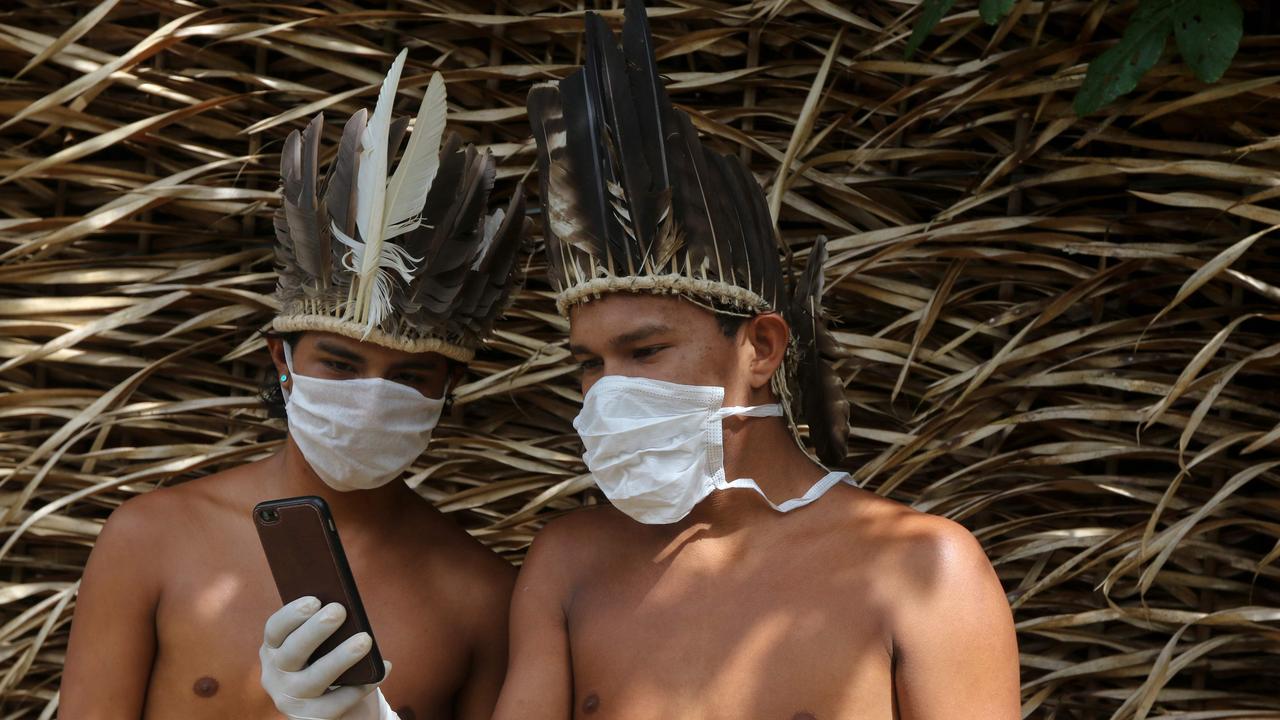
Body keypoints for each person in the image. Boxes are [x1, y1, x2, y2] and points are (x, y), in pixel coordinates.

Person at [258, 3, 1021, 718]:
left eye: (645, 349)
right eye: (588, 363)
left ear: (760, 347)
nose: (610, 389)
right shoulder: (573, 565)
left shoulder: (924, 569)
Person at [61, 49, 528, 720]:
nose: (370, 396)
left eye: (408, 375)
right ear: (282, 358)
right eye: (339, 365)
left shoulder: (478, 594)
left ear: (446, 385)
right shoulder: (151, 539)